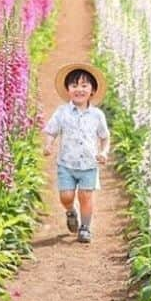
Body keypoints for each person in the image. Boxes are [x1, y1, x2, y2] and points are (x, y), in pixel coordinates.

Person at [42, 62, 110, 244]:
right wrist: (48, 145)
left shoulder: (97, 115)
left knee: (86, 197)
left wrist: (104, 152)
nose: (79, 89)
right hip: (66, 164)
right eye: (74, 85)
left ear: (93, 90)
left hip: (89, 165)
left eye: (84, 85)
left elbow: (105, 137)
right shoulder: (62, 112)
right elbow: (51, 130)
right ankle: (71, 211)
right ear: (67, 89)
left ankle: (85, 227)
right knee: (66, 196)